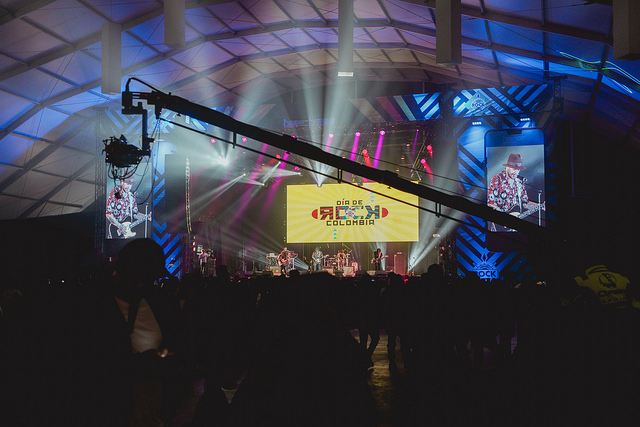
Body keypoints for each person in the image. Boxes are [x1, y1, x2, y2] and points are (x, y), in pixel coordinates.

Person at [487, 153, 544, 231]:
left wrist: (540, 206)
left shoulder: (519, 182)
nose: (516, 172)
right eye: (514, 169)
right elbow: (490, 204)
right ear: (507, 167)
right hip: (500, 226)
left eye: (518, 169)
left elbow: (525, 203)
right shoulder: (497, 179)